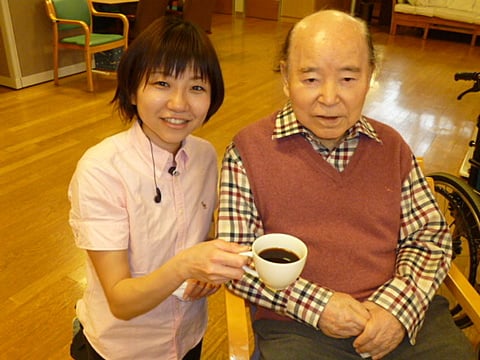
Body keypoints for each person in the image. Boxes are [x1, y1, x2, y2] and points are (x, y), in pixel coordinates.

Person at [218, 10, 474, 360]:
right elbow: (237, 260)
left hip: (403, 318)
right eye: (310, 79)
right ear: (285, 77)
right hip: (297, 324)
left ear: (371, 77)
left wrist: (395, 308)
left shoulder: (393, 147)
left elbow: (428, 237)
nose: (328, 97)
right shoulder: (247, 151)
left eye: (348, 79)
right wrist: (319, 306)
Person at [68, 16, 249, 360]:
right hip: (121, 349)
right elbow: (121, 301)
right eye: (162, 83)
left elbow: (203, 235)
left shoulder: (205, 155)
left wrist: (209, 265)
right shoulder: (102, 169)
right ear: (133, 90)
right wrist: (187, 265)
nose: (179, 104)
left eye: (197, 87)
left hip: (188, 338)